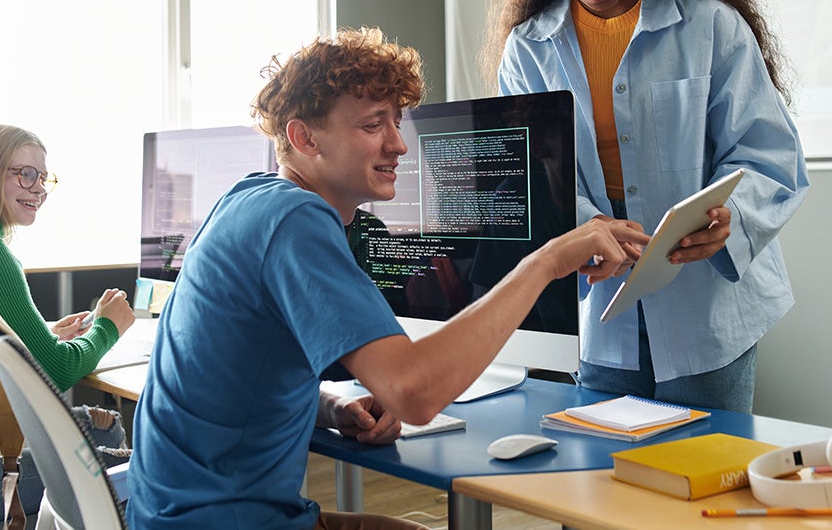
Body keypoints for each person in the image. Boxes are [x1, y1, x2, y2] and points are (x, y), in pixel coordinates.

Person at [126, 27, 648, 529]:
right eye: (374, 125)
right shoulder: (296, 221)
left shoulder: (249, 197)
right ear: (304, 137)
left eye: (398, 122)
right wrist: (545, 263)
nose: (399, 145)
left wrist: (331, 405)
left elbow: (234, 374)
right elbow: (414, 396)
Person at [483, 0, 809, 413]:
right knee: (604, 485)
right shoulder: (528, 48)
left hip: (706, 304)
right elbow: (532, 176)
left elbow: (768, 154)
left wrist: (729, 223)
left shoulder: (710, 24)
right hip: (600, 298)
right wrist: (587, 228)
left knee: (705, 475)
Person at [0, 123, 136, 518]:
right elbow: (58, 370)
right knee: (121, 451)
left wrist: (40, 331)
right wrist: (108, 327)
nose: (39, 189)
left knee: (101, 427)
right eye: (25, 174)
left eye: (42, 177)